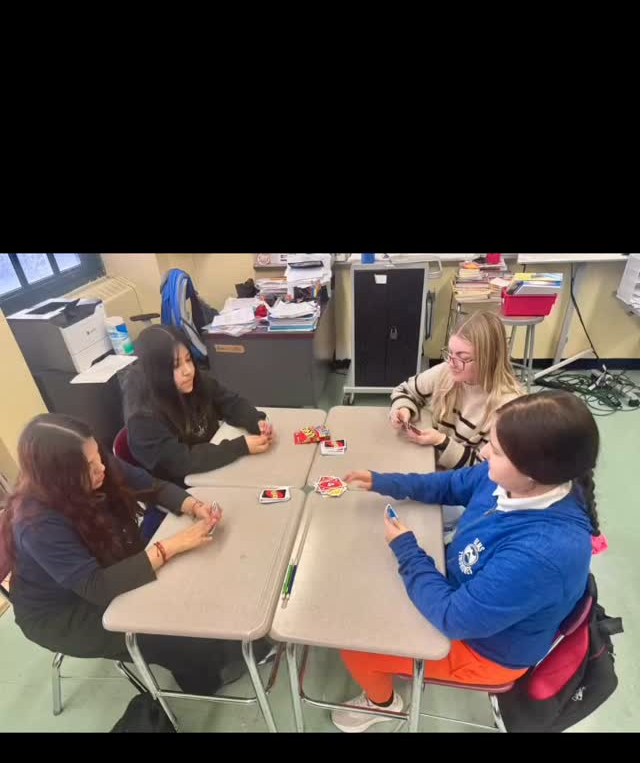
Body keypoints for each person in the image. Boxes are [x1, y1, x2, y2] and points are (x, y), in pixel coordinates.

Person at [337, 391, 601, 732]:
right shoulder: (519, 481)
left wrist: (406, 549)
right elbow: (450, 484)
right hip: (465, 594)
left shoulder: (543, 553)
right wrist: (383, 481)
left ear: (532, 471)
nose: (484, 451)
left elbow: (453, 618)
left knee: (355, 644)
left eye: (497, 450)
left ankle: (382, 704)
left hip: (486, 651)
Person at [2, 415, 270, 697]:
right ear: (60, 478)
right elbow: (98, 587)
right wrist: (172, 545)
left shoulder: (94, 463)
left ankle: (224, 644)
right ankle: (203, 677)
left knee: (187, 584)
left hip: (105, 564)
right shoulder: (37, 524)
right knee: (163, 628)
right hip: (65, 612)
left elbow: (151, 485)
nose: (102, 467)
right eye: (89, 466)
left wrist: (193, 505)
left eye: (97, 457)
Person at [123, 325, 274, 486]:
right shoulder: (142, 418)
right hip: (185, 489)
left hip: (214, 466)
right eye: (175, 366)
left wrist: (254, 421)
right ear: (156, 371)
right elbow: (181, 462)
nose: (188, 370)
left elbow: (229, 401)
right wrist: (239, 447)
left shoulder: (192, 381)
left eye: (188, 359)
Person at [390, 311, 522, 470]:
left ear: (489, 358)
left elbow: (486, 470)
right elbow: (405, 390)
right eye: (450, 353)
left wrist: (441, 442)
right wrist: (404, 409)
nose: (452, 363)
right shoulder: (446, 371)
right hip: (431, 463)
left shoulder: (509, 407)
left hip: (462, 480)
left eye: (462, 357)